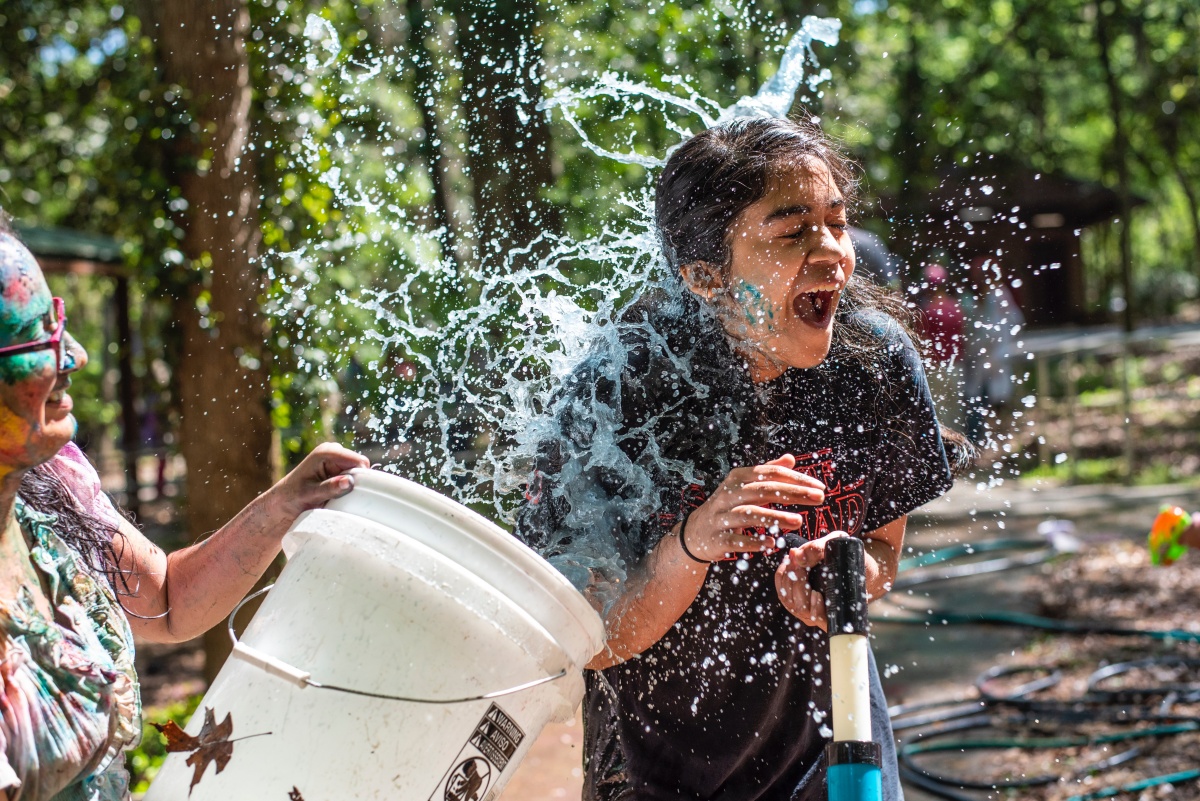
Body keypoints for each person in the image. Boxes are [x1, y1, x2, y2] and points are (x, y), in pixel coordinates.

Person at [516, 117, 959, 800]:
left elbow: (882, 548)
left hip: (838, 744)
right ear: (705, 277)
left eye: (835, 222)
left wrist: (847, 572)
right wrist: (691, 544)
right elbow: (592, 638)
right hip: (659, 770)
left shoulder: (874, 360)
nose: (833, 253)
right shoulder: (620, 394)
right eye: (791, 232)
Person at [0, 215, 370, 801]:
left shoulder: (52, 478)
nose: (75, 355)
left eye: (61, 322)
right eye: (38, 336)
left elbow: (168, 601)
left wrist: (283, 504)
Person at [960, 255, 1026, 446]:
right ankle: (980, 443)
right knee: (980, 400)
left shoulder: (996, 295)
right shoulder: (978, 298)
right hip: (985, 358)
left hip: (992, 356)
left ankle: (993, 444)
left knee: (989, 400)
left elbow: (1007, 323)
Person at [915, 262, 966, 430]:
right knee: (956, 412)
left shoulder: (928, 311)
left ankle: (945, 453)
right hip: (956, 367)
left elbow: (921, 341)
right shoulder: (956, 307)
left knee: (939, 413)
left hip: (935, 369)